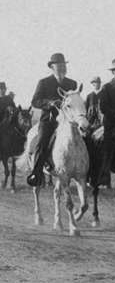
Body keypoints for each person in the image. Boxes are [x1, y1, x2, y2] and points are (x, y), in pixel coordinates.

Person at [27, 53, 77, 187]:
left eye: (63, 66)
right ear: (52, 67)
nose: (61, 68)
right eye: (58, 66)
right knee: (42, 141)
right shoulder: (44, 82)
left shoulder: (72, 83)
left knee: (83, 139)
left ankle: (86, 172)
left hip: (67, 121)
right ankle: (36, 174)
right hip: (49, 120)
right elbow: (35, 101)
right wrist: (49, 103)